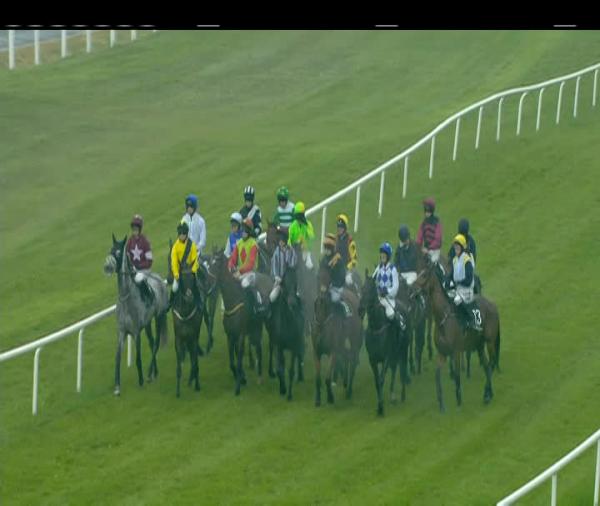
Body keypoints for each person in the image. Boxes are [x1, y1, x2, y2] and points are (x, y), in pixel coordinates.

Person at [228, 218, 266, 315]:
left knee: (245, 283)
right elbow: (233, 258)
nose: (243, 232)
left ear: (249, 231)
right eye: (242, 230)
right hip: (240, 273)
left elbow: (250, 263)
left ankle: (258, 304)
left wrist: (239, 271)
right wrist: (230, 266)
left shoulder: (253, 244)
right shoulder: (239, 243)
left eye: (245, 230)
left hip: (252, 273)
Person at [444, 234, 482, 331]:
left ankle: (471, 320)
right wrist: (447, 282)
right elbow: (451, 274)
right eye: (455, 247)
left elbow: (468, 280)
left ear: (462, 248)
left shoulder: (467, 260)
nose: (456, 249)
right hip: (458, 288)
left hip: (466, 289)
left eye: (457, 247)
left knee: (457, 300)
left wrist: (458, 283)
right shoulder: (455, 260)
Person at [170, 221, 203, 311]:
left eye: (183, 233)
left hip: (190, 271)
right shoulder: (175, 247)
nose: (181, 235)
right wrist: (176, 274)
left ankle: (199, 302)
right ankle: (171, 302)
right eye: (180, 233)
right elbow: (174, 262)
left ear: (186, 234)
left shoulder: (192, 245)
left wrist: (193, 270)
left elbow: (195, 260)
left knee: (196, 284)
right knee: (174, 287)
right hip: (180, 272)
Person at [373, 242, 405, 330]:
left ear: (388, 256)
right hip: (379, 297)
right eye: (381, 254)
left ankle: (395, 330)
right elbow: (373, 281)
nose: (382, 256)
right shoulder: (378, 268)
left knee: (390, 314)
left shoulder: (393, 269)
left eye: (385, 254)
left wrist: (386, 291)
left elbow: (395, 287)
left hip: (389, 299)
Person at [126, 214, 154, 306]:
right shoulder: (130, 241)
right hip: (133, 270)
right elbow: (127, 256)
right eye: (133, 228)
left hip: (144, 270)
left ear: (140, 229)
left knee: (138, 278)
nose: (134, 230)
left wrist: (138, 266)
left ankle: (148, 298)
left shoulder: (145, 242)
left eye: (136, 228)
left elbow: (149, 261)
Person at [320, 233, 351, 317]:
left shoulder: (338, 260)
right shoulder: (323, 260)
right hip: (324, 287)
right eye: (325, 248)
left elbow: (341, 276)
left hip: (336, 287)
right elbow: (320, 274)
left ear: (332, 248)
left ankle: (344, 308)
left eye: (328, 248)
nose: (326, 250)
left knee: (334, 299)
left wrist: (332, 284)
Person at [269, 226, 298, 302]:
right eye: (279, 240)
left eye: (282, 240)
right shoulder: (276, 253)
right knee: (272, 297)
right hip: (279, 281)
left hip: (291, 281)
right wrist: (276, 277)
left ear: (285, 240)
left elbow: (293, 265)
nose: (280, 242)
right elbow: (274, 265)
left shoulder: (291, 251)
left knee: (299, 296)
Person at [288, 201, 315, 270]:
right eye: (297, 217)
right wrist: (291, 246)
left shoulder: (308, 224)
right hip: (294, 250)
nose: (298, 220)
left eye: (300, 217)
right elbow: (289, 240)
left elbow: (312, 238)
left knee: (310, 265)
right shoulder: (292, 226)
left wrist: (306, 227)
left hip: (305, 250)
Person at [334, 213, 358, 289]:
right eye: (338, 227)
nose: (339, 229)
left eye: (341, 227)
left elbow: (354, 260)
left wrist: (347, 268)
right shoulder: (335, 239)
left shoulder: (350, 241)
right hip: (336, 269)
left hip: (347, 270)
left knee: (348, 281)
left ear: (345, 228)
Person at [416, 197, 443, 263]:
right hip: (425, 250)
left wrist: (428, 248)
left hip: (434, 250)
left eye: (428, 211)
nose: (426, 213)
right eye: (425, 210)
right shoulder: (423, 223)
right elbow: (419, 237)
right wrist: (418, 247)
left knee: (433, 262)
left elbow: (437, 240)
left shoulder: (437, 222)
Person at [181, 194, 207, 259]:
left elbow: (203, 241)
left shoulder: (201, 221)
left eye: (191, 207)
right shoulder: (183, 220)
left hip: (197, 254)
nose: (189, 209)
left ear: (194, 207)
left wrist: (195, 248)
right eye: (188, 207)